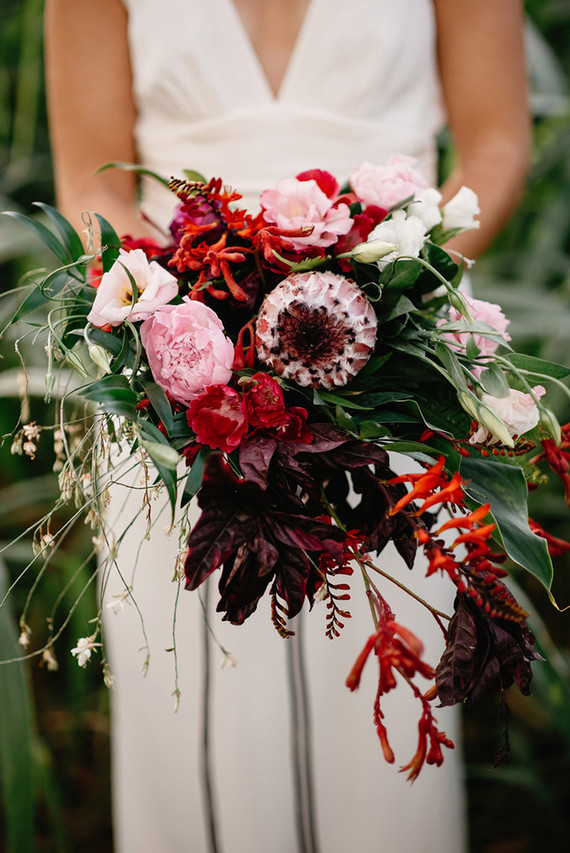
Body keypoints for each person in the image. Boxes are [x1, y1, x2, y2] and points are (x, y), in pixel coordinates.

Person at [44, 1, 530, 851]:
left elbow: (495, 143)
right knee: (192, 727)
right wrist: (179, 325)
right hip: (184, 391)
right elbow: (92, 181)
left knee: (383, 732)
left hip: (391, 390)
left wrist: (384, 307)